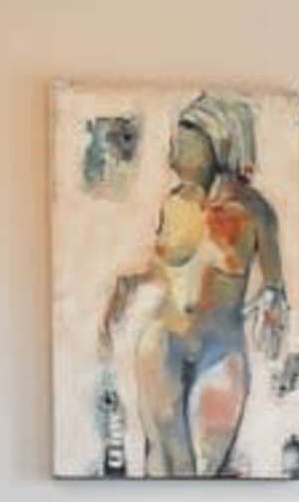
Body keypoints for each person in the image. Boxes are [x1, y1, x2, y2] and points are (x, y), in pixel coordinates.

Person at [99, 93, 288, 475]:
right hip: (163, 341)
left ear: (218, 146)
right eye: (175, 146)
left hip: (221, 350)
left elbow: (275, 287)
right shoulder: (174, 204)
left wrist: (272, 311)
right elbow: (166, 268)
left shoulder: (256, 213)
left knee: (206, 468)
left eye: (186, 147)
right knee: (165, 463)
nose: (173, 158)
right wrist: (129, 285)